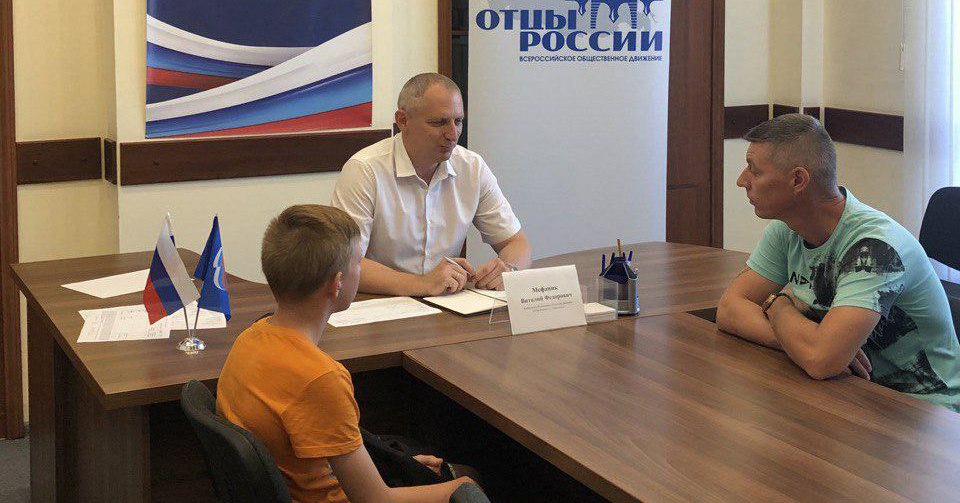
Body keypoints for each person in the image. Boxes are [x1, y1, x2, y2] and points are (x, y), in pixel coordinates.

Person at [217, 205, 475, 502]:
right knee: (470, 480)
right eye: (358, 262)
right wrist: (464, 487)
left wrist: (391, 463)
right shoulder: (321, 378)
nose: (361, 269)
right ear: (337, 283)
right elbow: (376, 499)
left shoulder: (249, 339)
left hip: (307, 486)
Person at [716, 113, 960, 412]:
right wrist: (798, 342)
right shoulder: (787, 227)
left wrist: (777, 304)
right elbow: (729, 309)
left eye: (754, 170)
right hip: (855, 396)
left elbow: (820, 361)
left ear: (798, 180)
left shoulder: (875, 249)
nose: (742, 180)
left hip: (927, 413)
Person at [331, 73, 531, 296]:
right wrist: (422, 284)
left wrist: (508, 269)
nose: (452, 134)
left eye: (458, 121)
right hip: (380, 301)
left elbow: (517, 243)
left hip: (448, 301)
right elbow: (345, 263)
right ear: (403, 120)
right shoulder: (364, 169)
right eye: (438, 123)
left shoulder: (472, 167)